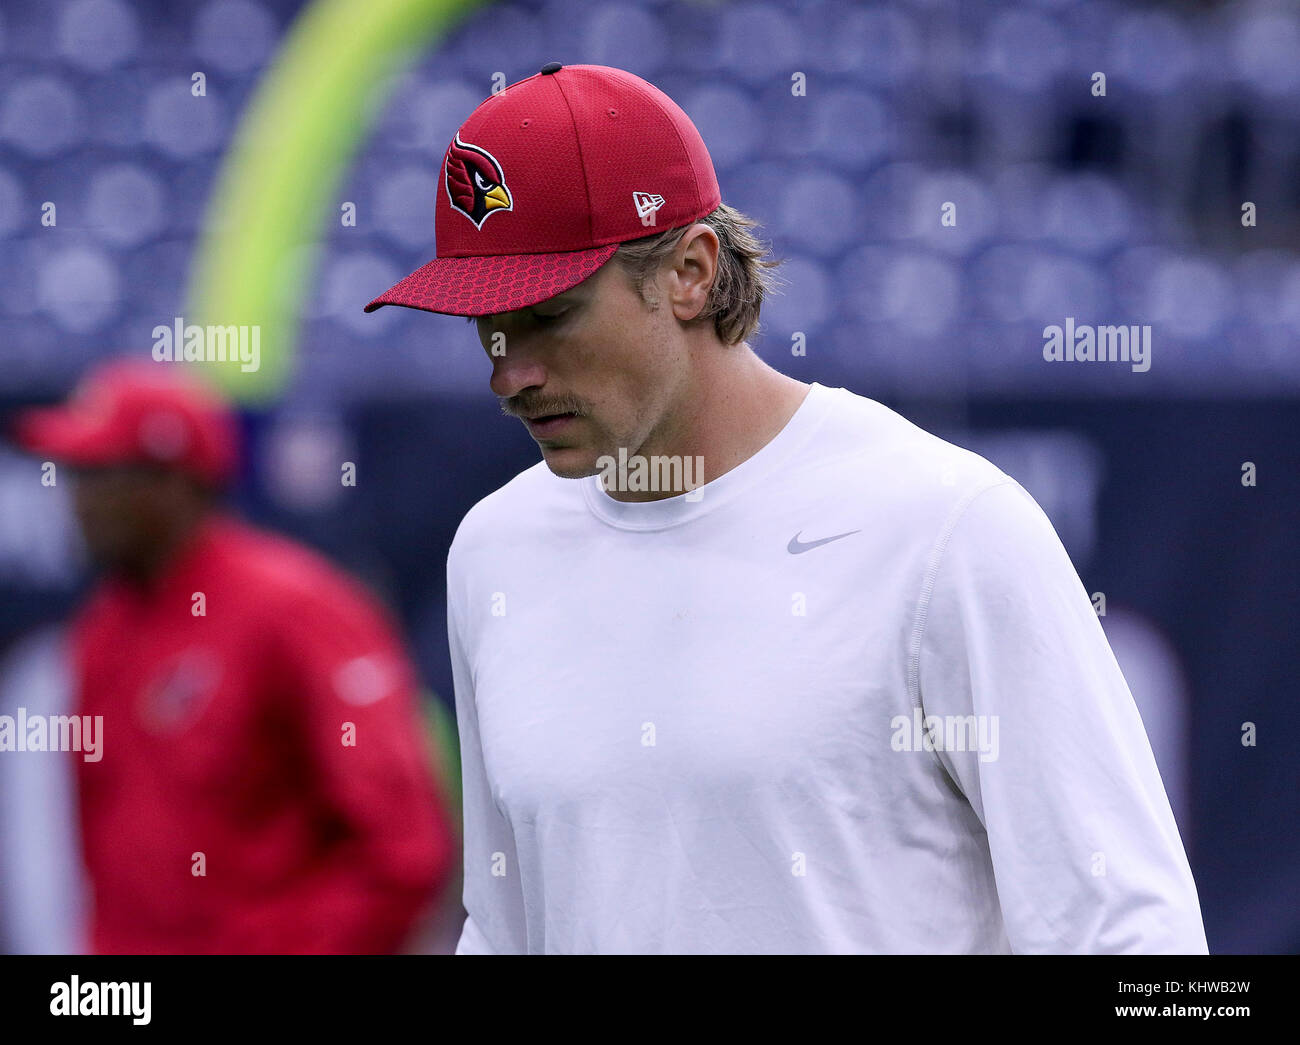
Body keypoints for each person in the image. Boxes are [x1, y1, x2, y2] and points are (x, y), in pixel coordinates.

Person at [364, 63, 1208, 954]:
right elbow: (506, 930)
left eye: (550, 316)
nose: (509, 373)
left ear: (691, 272)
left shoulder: (946, 527)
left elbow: (1130, 934)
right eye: (486, 328)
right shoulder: (494, 548)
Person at [11, 360, 456, 953]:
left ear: (172, 485)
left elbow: (402, 852)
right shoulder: (101, 631)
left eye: (98, 474)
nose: (75, 498)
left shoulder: (296, 610)